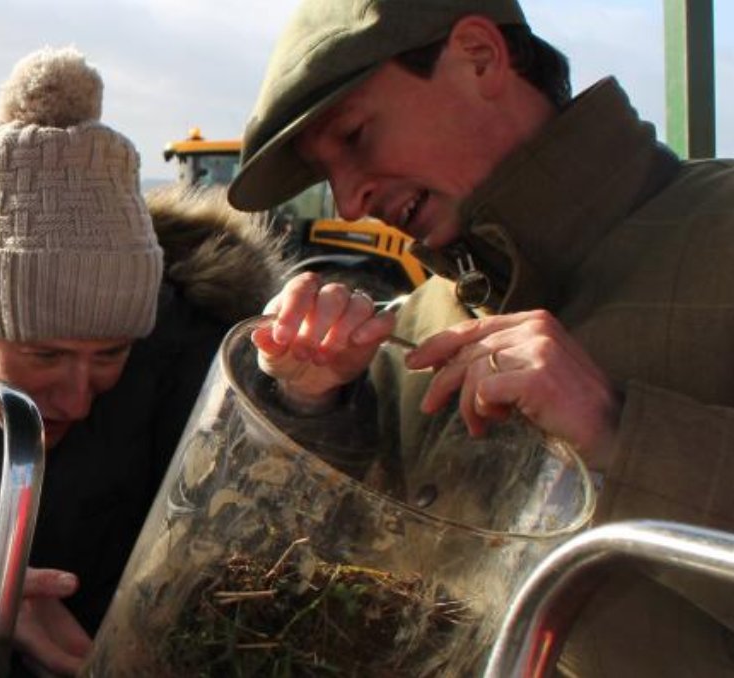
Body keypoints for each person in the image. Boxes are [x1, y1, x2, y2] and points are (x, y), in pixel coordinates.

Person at [227, 0, 734, 675]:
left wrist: (618, 434)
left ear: (480, 56)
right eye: (327, 177)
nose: (349, 203)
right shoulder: (405, 334)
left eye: (354, 137)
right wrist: (313, 409)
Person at [0, 47, 283, 676]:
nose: (78, 398)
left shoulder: (185, 362)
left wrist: (305, 396)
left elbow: (260, 533)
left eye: (110, 354)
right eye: (44, 354)